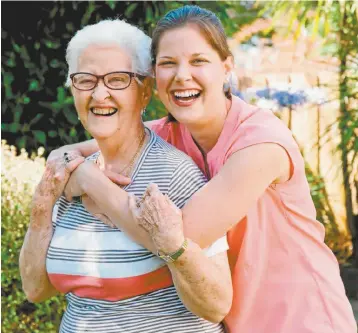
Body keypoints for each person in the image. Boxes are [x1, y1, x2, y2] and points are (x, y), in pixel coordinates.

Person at [55, 5, 357, 333]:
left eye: (198, 61)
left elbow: (176, 237)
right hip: (238, 323)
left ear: (226, 67)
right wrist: (71, 172)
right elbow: (65, 154)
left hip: (302, 320)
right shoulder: (171, 132)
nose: (183, 75)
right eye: (169, 63)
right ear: (154, 78)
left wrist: (90, 180)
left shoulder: (261, 143)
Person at [19, 19, 233, 333]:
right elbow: (36, 289)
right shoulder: (71, 173)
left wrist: (173, 246)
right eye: (86, 80)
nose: (99, 94)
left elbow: (216, 305)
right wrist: (41, 208)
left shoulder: (175, 175)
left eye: (117, 80)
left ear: (145, 92)